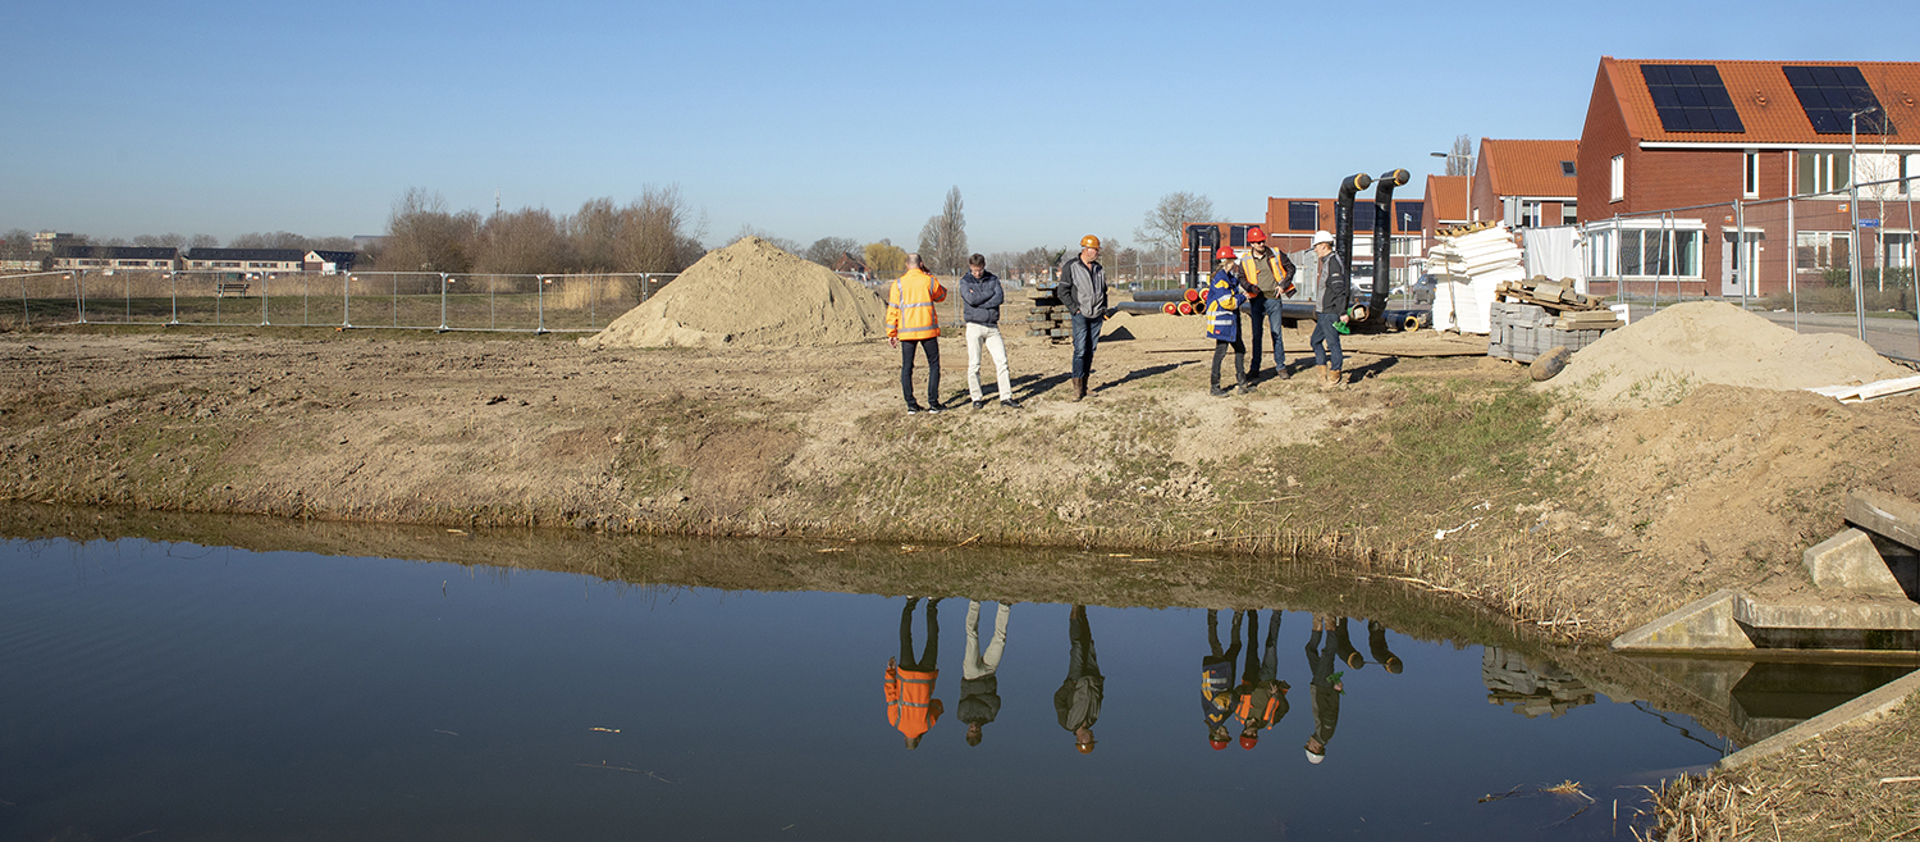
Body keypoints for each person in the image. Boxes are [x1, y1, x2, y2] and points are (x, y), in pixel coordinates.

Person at [958, 254, 1022, 410]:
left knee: (1002, 362)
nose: (977, 273)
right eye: (974, 271)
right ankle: (976, 397)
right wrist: (988, 296)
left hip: (992, 326)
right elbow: (970, 300)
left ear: (984, 266)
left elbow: (999, 298)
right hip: (974, 326)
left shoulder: (993, 279)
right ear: (970, 267)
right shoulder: (965, 281)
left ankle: (1006, 396)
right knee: (974, 364)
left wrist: (979, 300)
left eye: (979, 270)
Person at [887, 254, 947, 413]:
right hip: (928, 330)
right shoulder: (929, 280)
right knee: (933, 365)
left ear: (907, 265)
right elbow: (941, 296)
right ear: (921, 264)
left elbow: (893, 309)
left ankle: (911, 405)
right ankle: (933, 403)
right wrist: (931, 275)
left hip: (907, 332)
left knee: (907, 367)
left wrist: (891, 333)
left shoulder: (898, 284)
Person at [1053, 235, 1110, 402]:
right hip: (1080, 315)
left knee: (1090, 351)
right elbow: (1062, 291)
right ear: (1086, 249)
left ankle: (1085, 386)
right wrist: (1074, 309)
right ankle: (1077, 388)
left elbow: (1104, 291)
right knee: (1080, 350)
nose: (1097, 254)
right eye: (1095, 250)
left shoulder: (1099, 269)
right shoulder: (1071, 266)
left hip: (1096, 315)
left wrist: (1103, 309)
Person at [1238, 226, 1298, 383]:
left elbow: (1291, 268)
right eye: (1257, 242)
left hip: (1274, 299)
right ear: (1251, 243)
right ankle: (1255, 368)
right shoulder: (1245, 259)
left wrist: (1283, 285)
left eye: (1262, 241)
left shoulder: (1276, 254)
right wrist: (1250, 288)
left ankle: (1281, 367)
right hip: (1257, 300)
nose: (1261, 244)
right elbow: (1241, 277)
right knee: (1257, 335)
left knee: (1276, 333)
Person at [885, 596, 943, 749]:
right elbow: (890, 695)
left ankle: (932, 603)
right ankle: (910, 602)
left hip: (926, 677)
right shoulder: (894, 722)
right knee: (905, 639)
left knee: (932, 640)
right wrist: (890, 671)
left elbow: (938, 706)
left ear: (918, 740)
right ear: (904, 739)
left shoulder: (926, 726)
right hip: (906, 675)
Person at [1234, 609, 1291, 750]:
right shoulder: (1268, 722)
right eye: (1254, 737)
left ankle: (1252, 611)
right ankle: (1277, 612)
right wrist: (1277, 694)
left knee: (1252, 644)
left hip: (1250, 678)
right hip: (1268, 681)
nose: (1252, 734)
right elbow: (1284, 709)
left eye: (1248, 735)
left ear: (1243, 732)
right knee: (1271, 646)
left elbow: (1235, 693)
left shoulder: (1238, 715)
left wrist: (1244, 689)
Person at [959, 599, 1011, 746]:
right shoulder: (990, 716)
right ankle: (1004, 606)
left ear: (967, 730)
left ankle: (974, 602)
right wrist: (978, 697)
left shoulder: (962, 716)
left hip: (971, 674)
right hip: (989, 672)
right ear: (981, 732)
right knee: (1000, 639)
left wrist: (983, 696)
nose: (974, 727)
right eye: (976, 730)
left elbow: (971, 703)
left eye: (971, 730)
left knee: (972, 636)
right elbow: (995, 700)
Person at [1306, 230, 1352, 389]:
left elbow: (1339, 289)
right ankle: (1322, 374)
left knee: (1332, 344)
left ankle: (1334, 375)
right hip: (1324, 312)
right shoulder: (1329, 262)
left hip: (1330, 312)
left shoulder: (1332, 263)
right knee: (1315, 341)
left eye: (1316, 246)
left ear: (1324, 246)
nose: (1315, 250)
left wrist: (1342, 312)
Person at [1054, 604, 1103, 753]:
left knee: (1078, 647)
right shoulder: (1093, 719)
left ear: (1081, 740)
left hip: (1076, 679)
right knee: (1088, 643)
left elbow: (1058, 699)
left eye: (1090, 740)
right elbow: (1099, 698)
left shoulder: (1067, 723)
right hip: (1092, 677)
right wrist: (1098, 683)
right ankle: (1083, 611)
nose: (1093, 736)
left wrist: (1071, 684)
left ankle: (1075, 609)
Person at [1203, 246, 1250, 398]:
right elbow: (1228, 303)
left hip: (1230, 322)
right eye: (1233, 261)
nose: (1234, 263)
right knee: (1220, 352)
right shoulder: (1220, 279)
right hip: (1222, 323)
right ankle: (1215, 387)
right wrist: (1244, 297)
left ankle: (1242, 383)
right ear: (1228, 261)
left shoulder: (1227, 277)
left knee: (1240, 349)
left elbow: (1238, 283)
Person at [1303, 613, 1344, 764]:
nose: (1307, 743)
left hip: (1318, 684)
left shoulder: (1321, 733)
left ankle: (1317, 620)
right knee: (1328, 654)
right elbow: (1331, 712)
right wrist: (1336, 691)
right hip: (1323, 686)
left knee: (1310, 650)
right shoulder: (1325, 734)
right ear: (1315, 749)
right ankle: (1330, 622)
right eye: (1309, 746)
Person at [1201, 609, 1243, 750]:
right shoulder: (1216, 720)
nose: (1228, 732)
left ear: (1218, 735)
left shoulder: (1214, 720)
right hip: (1222, 676)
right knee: (1235, 646)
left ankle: (1212, 613)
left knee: (1216, 647)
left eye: (1226, 735)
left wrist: (1235, 700)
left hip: (1217, 676)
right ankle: (1238, 614)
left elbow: (1221, 700)